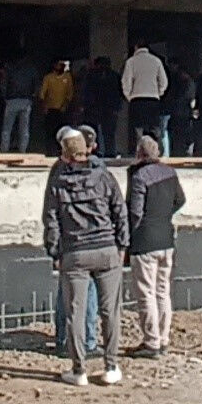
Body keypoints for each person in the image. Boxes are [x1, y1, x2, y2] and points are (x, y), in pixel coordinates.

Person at [43, 125, 127, 386]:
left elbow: (51, 218)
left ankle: (79, 371)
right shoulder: (104, 175)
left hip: (75, 252)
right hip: (106, 248)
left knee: (75, 313)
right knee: (110, 311)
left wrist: (54, 251)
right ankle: (111, 367)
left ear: (65, 154)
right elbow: (120, 211)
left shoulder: (57, 178)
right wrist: (122, 245)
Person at [125, 134, 186, 357]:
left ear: (139, 154)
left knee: (146, 293)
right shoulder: (170, 173)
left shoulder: (139, 177)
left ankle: (151, 342)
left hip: (145, 242)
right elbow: (181, 200)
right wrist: (163, 216)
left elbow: (135, 212)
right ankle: (164, 338)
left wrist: (129, 235)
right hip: (166, 239)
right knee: (163, 291)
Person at [54, 124, 102, 357]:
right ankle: (88, 341)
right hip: (92, 241)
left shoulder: (58, 172)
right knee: (87, 293)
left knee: (67, 293)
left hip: (71, 243)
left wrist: (54, 249)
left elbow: (51, 214)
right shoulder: (98, 171)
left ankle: (64, 339)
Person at [122, 43, 167, 148]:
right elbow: (164, 81)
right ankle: (156, 150)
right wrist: (159, 92)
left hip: (137, 99)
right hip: (153, 99)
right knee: (154, 128)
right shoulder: (156, 61)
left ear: (136, 47)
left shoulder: (131, 61)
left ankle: (140, 150)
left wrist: (129, 95)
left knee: (138, 129)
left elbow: (126, 82)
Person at [81, 55, 124, 158]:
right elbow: (119, 94)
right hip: (110, 108)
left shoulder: (91, 76)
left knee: (93, 132)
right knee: (109, 132)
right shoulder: (115, 76)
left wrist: (86, 106)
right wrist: (117, 107)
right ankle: (110, 152)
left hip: (94, 108)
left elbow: (86, 92)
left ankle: (95, 152)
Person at [1, 54, 40, 153]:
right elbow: (36, 87)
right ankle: (23, 151)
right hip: (26, 101)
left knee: (7, 128)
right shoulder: (32, 70)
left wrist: (5, 98)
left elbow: (4, 85)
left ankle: (4, 151)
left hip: (12, 100)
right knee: (24, 129)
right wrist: (32, 98)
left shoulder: (10, 68)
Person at [38, 59, 75, 155]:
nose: (61, 67)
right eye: (59, 64)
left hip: (62, 110)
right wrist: (44, 106)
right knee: (49, 131)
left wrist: (65, 105)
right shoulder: (48, 78)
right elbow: (42, 94)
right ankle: (50, 151)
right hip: (50, 109)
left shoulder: (67, 77)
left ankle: (61, 151)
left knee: (62, 131)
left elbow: (70, 94)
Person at [161, 59, 194, 158]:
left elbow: (183, 97)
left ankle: (179, 151)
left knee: (179, 133)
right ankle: (179, 151)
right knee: (179, 133)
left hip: (180, 112)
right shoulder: (186, 82)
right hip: (182, 112)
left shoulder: (185, 82)